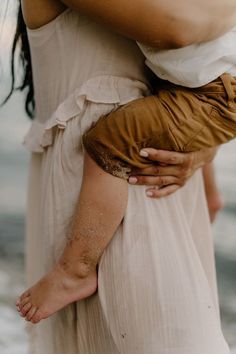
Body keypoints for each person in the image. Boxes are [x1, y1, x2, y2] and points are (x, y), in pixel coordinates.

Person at [8, 0, 233, 352]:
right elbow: (179, 27)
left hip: (146, 181)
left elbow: (192, 84)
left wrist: (205, 156)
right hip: (102, 207)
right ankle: (75, 269)